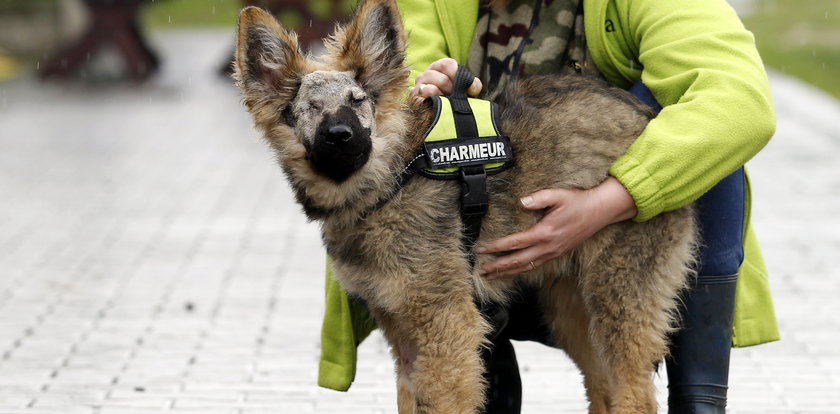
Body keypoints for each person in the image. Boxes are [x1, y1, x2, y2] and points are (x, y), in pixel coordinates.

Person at [318, 0, 780, 412]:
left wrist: (612, 200)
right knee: (419, 179)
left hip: (622, 235)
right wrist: (446, 102)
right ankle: (481, 385)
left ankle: (694, 398)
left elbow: (741, 101)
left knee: (705, 147)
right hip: (483, 248)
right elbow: (384, 108)